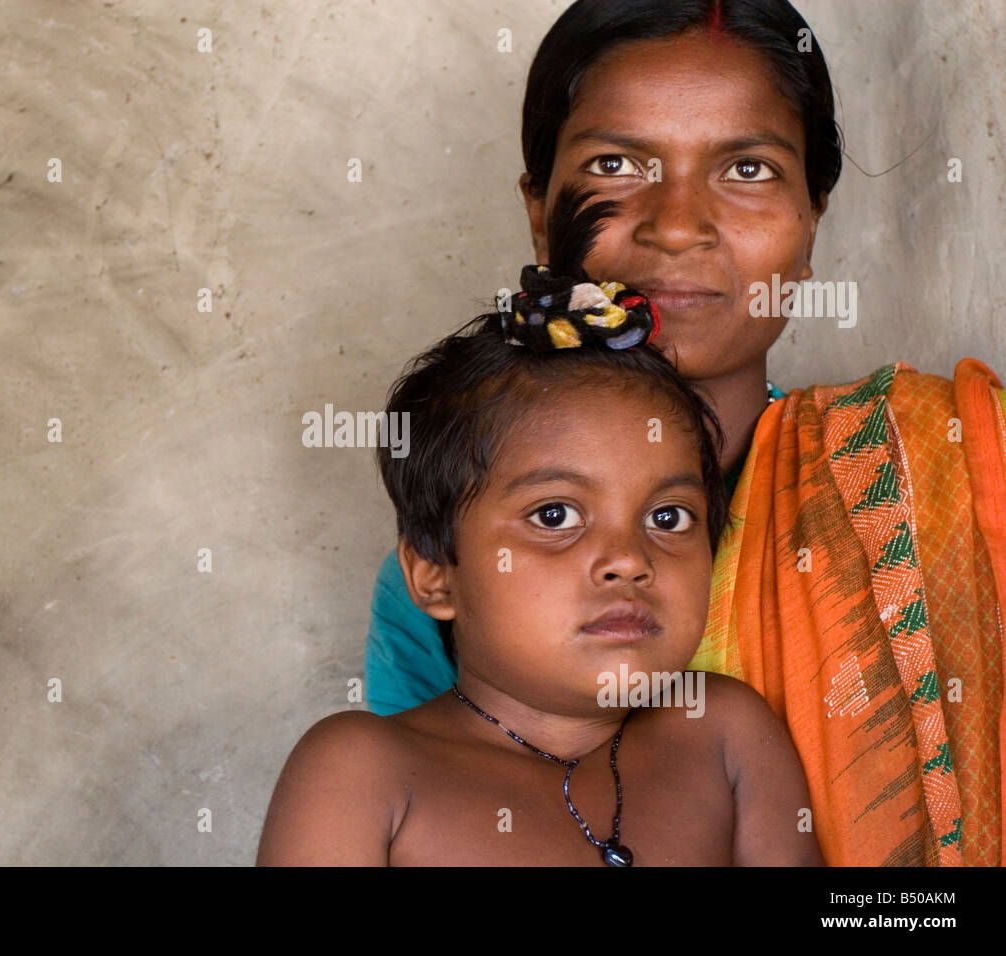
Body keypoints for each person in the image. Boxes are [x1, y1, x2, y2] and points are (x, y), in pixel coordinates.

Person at [364, 0, 1006, 867]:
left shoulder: (929, 471)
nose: (675, 224)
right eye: (616, 162)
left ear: (813, 218)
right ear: (537, 208)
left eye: (747, 169)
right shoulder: (472, 564)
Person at [258, 190, 822, 865]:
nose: (628, 561)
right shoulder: (365, 773)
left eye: (668, 517)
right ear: (435, 573)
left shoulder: (725, 734)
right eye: (555, 516)